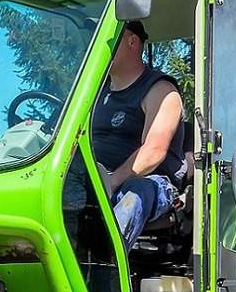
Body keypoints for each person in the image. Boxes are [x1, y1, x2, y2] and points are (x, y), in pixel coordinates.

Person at [63, 20, 187, 250]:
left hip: (150, 181)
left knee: (135, 194)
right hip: (96, 175)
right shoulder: (94, 94)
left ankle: (105, 262)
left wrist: (110, 182)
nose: (98, 46)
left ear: (132, 41)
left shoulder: (160, 90)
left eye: (108, 39)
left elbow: (154, 151)